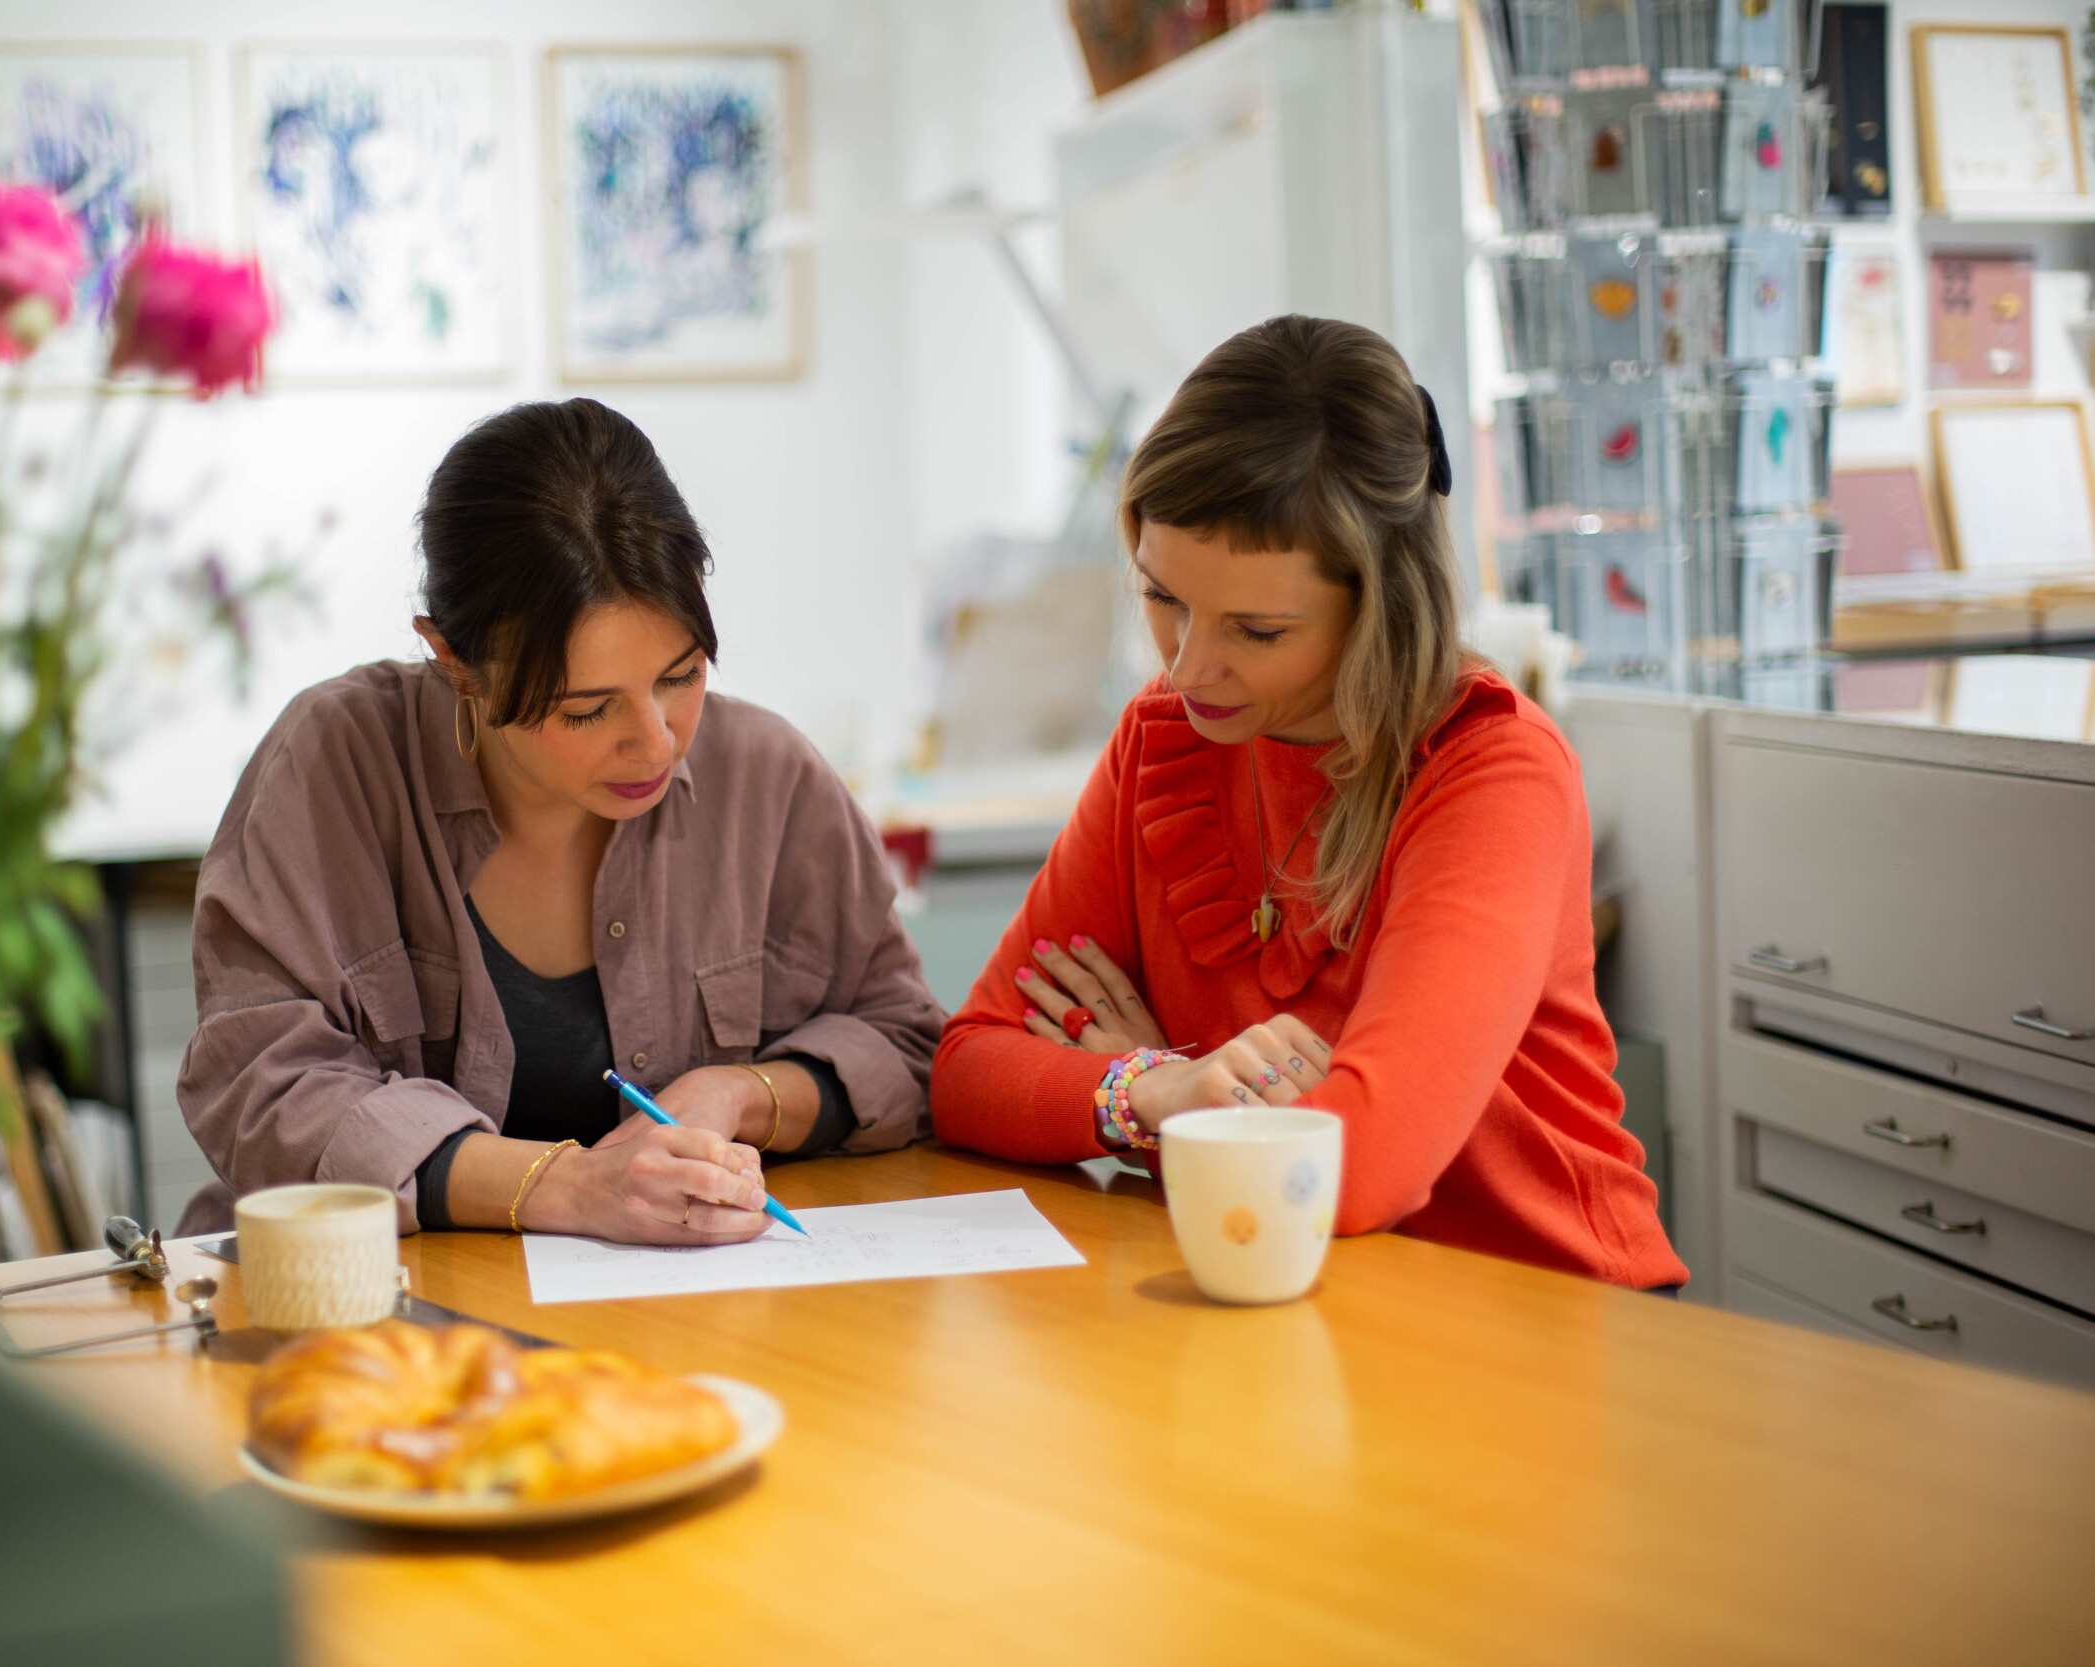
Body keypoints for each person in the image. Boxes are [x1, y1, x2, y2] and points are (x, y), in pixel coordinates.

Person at [931, 316, 1685, 1290]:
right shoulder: (1162, 736)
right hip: (1296, 1295)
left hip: (1544, 1308)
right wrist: (1154, 1085)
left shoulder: (1494, 771)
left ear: (1379, 606)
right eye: (1163, 597)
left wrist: (1163, 1102)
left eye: (1255, 628)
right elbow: (966, 1071)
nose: (1188, 665)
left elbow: (1358, 1169)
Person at [177, 399, 941, 1243]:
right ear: (457, 664)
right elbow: (258, 1084)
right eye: (586, 710)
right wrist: (566, 1186)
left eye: (681, 675)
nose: (656, 742)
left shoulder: (767, 777)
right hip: (376, 1314)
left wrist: (744, 1094)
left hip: (689, 1325)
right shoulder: (336, 765)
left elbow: (904, 1041)